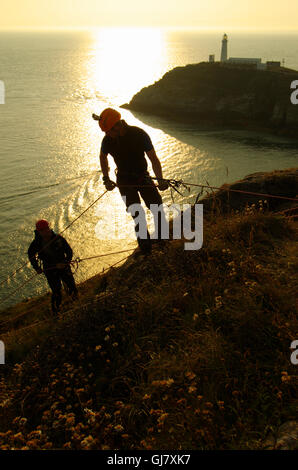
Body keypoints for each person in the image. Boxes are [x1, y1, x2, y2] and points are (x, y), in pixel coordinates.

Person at [94, 108, 169, 255]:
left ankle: (162, 243)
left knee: (157, 209)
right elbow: (102, 157)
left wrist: (160, 180)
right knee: (137, 214)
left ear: (118, 125)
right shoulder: (108, 139)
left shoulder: (138, 134)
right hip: (124, 180)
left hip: (142, 177)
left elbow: (153, 158)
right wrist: (106, 178)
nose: (107, 134)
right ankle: (146, 250)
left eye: (109, 130)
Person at [28, 219, 78, 314]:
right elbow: (31, 255)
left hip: (63, 265)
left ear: (49, 228)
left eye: (46, 229)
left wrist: (65, 262)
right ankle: (56, 310)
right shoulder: (36, 243)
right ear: (38, 232)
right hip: (49, 268)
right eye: (42, 230)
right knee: (56, 291)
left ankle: (76, 303)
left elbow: (69, 251)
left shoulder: (58, 238)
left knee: (71, 285)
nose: (45, 232)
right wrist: (37, 267)